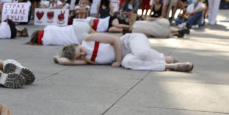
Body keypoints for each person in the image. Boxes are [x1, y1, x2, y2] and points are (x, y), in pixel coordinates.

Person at [54, 32, 193, 72]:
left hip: (130, 41)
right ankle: (169, 65)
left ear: (77, 44)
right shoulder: (86, 60)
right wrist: (58, 58)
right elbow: (66, 62)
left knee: (141, 54)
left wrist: (118, 60)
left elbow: (115, 40)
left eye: (80, 51)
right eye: (80, 56)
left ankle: (167, 60)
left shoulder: (88, 39)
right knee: (128, 62)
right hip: (129, 56)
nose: (83, 54)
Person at [26, 20, 92, 46]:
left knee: (98, 38)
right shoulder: (48, 28)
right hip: (74, 28)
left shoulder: (46, 42)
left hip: (76, 39)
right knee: (95, 32)